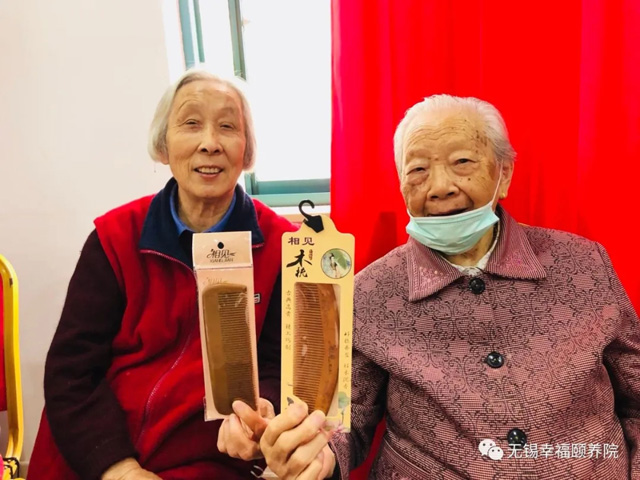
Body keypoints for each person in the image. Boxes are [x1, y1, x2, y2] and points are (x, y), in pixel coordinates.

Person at [234, 95, 640, 479]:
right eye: (418, 170)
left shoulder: (582, 263)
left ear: (504, 174)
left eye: (462, 162)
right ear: (401, 185)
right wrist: (317, 453)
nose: (440, 186)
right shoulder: (370, 292)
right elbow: (344, 420)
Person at [28, 68, 296, 480]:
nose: (210, 143)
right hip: (99, 454)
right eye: (191, 123)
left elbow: (282, 363)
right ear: (163, 145)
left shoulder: (283, 246)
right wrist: (119, 469)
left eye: (228, 127)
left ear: (247, 152)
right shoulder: (115, 238)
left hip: (209, 458)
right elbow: (71, 372)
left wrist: (265, 411)